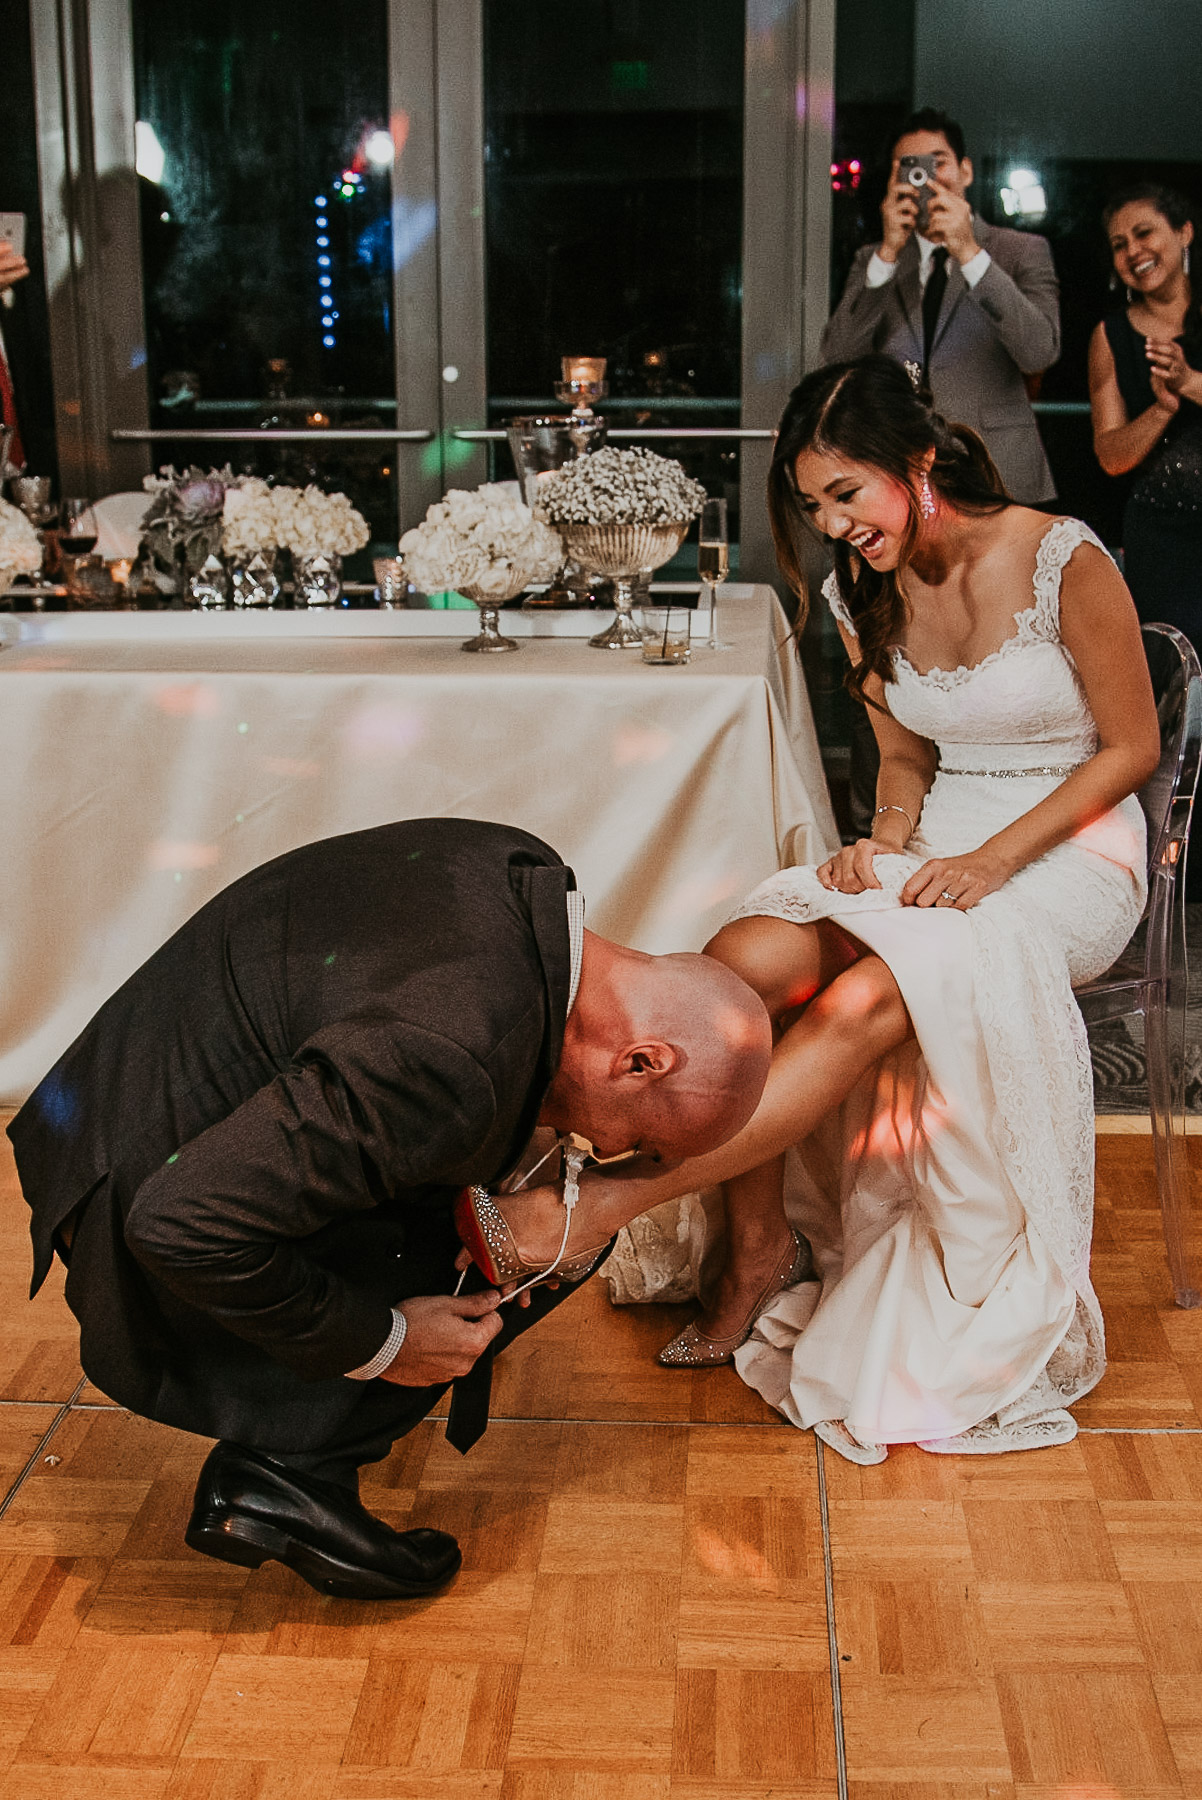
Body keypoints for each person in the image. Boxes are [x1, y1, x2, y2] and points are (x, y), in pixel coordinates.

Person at [454, 357, 1159, 1464]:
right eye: (813, 503)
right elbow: (902, 756)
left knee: (875, 990)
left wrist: (983, 864)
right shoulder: (856, 589)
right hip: (937, 842)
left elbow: (1131, 750)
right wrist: (881, 838)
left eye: (846, 495)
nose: (832, 527)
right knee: (741, 959)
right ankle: (755, 1242)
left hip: (1068, 848)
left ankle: (603, 1210)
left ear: (915, 464)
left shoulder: (1059, 553)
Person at [8, 818, 771, 1595]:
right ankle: (294, 1477)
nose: (600, 1148)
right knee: (558, 1235)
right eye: (631, 1136)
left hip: (115, 1112)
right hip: (138, 1214)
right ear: (641, 1059)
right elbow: (181, 1225)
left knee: (529, 1200)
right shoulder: (452, 1059)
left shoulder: (515, 868)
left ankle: (299, 1456)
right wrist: (386, 1340)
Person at [1088, 182, 1202, 644]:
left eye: (1144, 233)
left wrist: (1189, 381)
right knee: (1171, 682)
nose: (1134, 251)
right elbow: (1111, 456)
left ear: (1184, 232)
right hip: (1158, 537)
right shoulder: (1109, 335)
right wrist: (1162, 407)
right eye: (1120, 245)